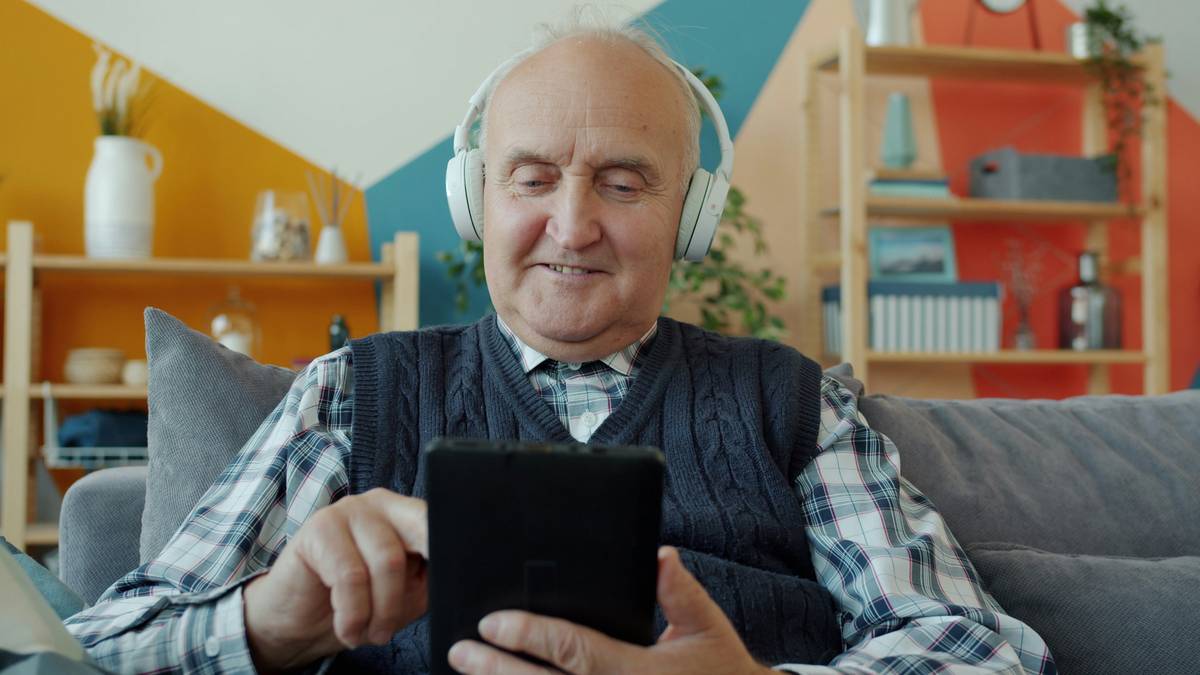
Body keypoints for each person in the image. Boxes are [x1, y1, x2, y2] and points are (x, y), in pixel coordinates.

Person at [65, 17, 1055, 675]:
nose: (573, 226)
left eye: (624, 183)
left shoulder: (796, 407)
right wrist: (264, 627)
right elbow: (85, 653)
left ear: (689, 217)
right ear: (477, 201)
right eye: (531, 177)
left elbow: (978, 653)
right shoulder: (348, 396)